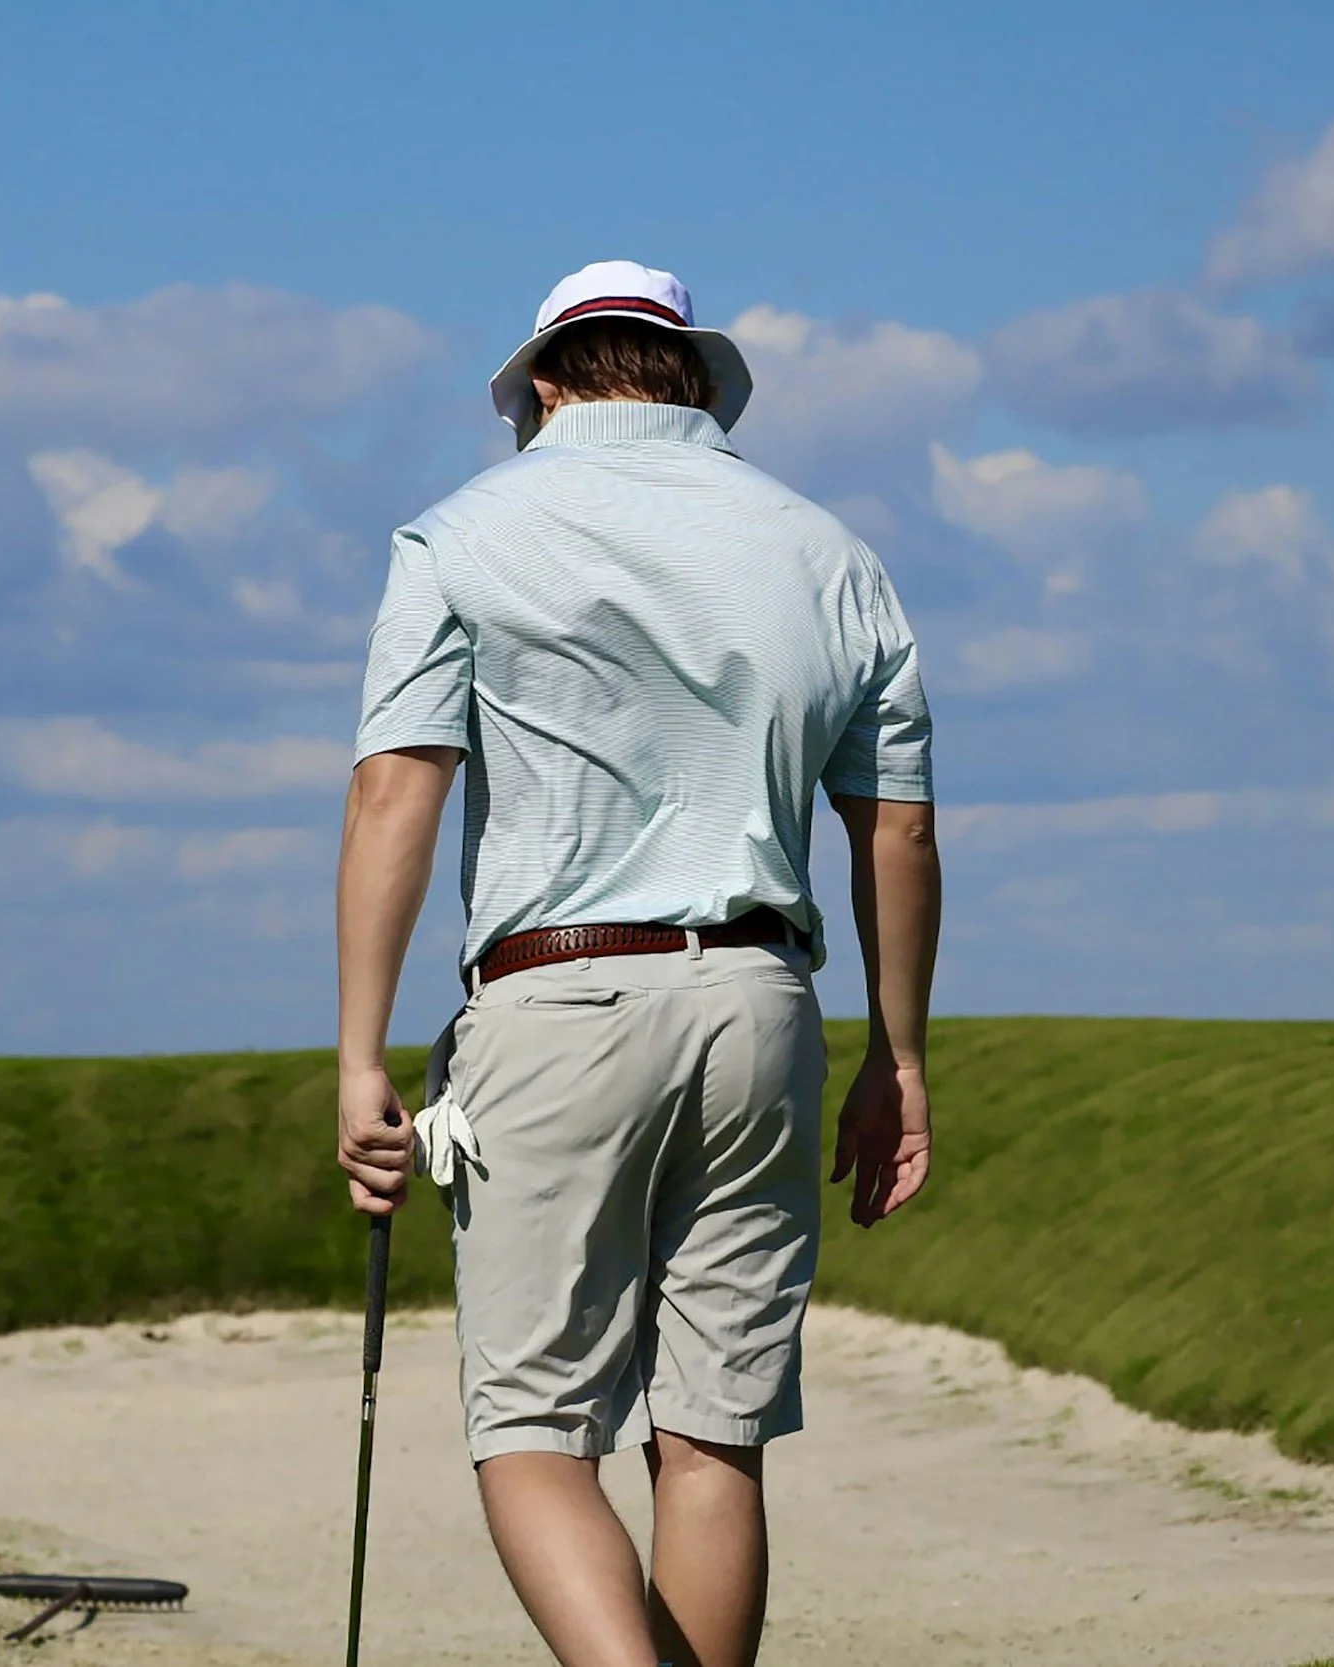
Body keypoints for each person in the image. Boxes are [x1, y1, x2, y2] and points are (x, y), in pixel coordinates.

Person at [334, 259, 941, 1667]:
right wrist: (899, 1059)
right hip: (763, 1005)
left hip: (557, 1005)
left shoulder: (457, 534)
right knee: (715, 1429)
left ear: (547, 381)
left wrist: (362, 1055)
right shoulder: (830, 549)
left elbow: (394, 795)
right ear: (690, 380)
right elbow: (896, 829)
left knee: (536, 1430)